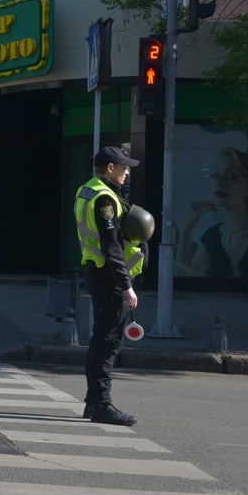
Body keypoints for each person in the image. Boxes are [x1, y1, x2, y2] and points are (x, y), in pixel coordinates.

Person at [74, 146, 147, 427]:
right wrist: (126, 285)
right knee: (108, 343)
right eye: (123, 166)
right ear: (109, 169)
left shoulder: (86, 190)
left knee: (100, 338)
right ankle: (102, 404)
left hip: (96, 271)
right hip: (109, 277)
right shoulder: (104, 199)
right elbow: (112, 246)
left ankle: (93, 402)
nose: (127, 171)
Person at [176, 147, 248, 278]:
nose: (219, 182)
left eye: (232, 176)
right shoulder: (212, 237)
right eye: (215, 175)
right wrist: (185, 232)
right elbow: (186, 278)